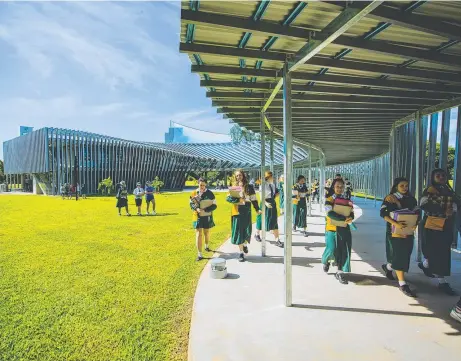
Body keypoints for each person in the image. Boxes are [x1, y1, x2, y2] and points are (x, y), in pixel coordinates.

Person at [418, 168, 461, 295]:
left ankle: (426, 266)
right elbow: (423, 204)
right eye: (438, 175)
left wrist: (453, 207)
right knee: (434, 252)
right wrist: (444, 210)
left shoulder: (449, 190)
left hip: (446, 226)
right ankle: (441, 281)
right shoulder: (429, 190)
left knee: (443, 253)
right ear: (433, 177)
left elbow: (457, 203)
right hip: (432, 226)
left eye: (443, 175)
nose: (441, 177)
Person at [380, 177, 420, 297]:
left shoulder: (412, 199)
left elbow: (417, 212)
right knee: (399, 253)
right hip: (394, 231)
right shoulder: (390, 198)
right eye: (402, 185)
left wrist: (415, 224)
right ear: (396, 186)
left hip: (408, 230)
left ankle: (388, 267)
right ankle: (402, 283)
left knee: (405, 253)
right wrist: (395, 223)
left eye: (406, 185)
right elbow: (383, 213)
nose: (404, 188)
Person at [322, 178, 354, 285]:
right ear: (333, 187)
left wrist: (350, 218)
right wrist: (342, 218)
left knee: (342, 250)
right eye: (337, 187)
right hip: (331, 228)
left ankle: (339, 271)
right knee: (331, 248)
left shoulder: (347, 200)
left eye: (341, 187)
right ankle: (325, 260)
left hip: (344, 228)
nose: (340, 189)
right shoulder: (329, 199)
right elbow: (329, 213)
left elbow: (351, 212)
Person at [227, 170, 261, 262]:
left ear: (243, 176)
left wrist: (257, 209)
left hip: (246, 210)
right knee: (239, 232)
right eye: (237, 176)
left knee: (247, 230)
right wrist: (237, 200)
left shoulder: (249, 187)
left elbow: (254, 199)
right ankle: (241, 253)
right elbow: (228, 198)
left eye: (240, 175)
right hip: (237, 211)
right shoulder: (234, 187)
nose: (239, 177)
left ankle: (245, 244)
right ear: (235, 177)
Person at [190, 178, 217, 261]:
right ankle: (199, 254)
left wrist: (205, 210)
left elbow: (215, 205)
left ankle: (206, 245)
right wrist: (196, 208)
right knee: (199, 233)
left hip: (207, 216)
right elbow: (191, 203)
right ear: (198, 184)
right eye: (200, 185)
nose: (202, 187)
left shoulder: (210, 194)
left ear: (206, 185)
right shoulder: (194, 193)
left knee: (206, 232)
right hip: (197, 216)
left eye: (203, 185)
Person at [255, 171, 283, 248]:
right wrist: (266, 203)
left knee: (274, 220)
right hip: (265, 203)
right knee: (261, 219)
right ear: (268, 178)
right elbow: (261, 197)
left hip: (272, 203)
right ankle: (257, 234)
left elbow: (273, 195)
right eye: (271, 177)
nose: (273, 178)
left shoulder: (273, 185)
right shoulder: (262, 185)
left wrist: (277, 194)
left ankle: (277, 240)